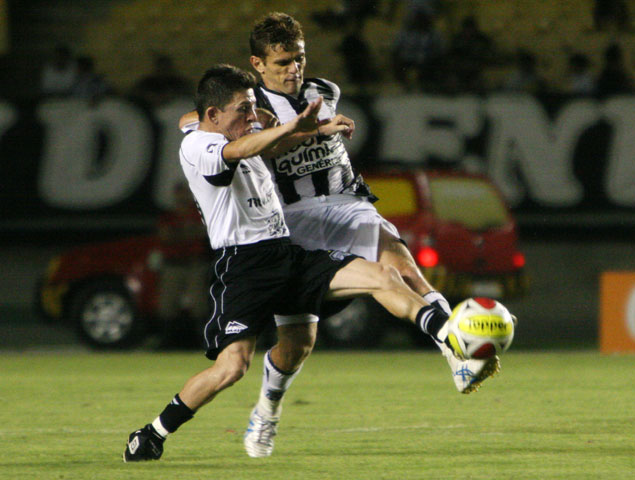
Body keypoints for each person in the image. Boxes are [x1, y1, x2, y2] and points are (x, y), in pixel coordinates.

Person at [179, 12, 501, 458]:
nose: (295, 68)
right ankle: (267, 410)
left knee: (406, 271)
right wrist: (299, 129)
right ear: (258, 64)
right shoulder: (248, 105)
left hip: (346, 204)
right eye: (284, 61)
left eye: (300, 58)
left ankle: (459, 355)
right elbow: (191, 123)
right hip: (294, 223)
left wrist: (324, 126)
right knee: (296, 346)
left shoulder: (324, 91)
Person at [123, 63, 458, 462]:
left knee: (382, 275)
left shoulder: (240, 131)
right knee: (232, 368)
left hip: (288, 253)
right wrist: (286, 126)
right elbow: (238, 149)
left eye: (252, 108)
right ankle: (153, 432)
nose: (250, 118)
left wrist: (314, 131)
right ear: (212, 116)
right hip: (245, 267)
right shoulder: (198, 146)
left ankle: (453, 338)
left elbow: (267, 144)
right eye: (241, 111)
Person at [153, 182, 209, 347]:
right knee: (167, 304)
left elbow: (203, 233)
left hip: (194, 263)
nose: (182, 197)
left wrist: (181, 233)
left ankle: (202, 341)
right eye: (179, 194)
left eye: (184, 193)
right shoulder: (168, 216)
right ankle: (166, 341)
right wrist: (188, 232)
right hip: (173, 264)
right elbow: (165, 236)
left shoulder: (198, 214)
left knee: (199, 304)